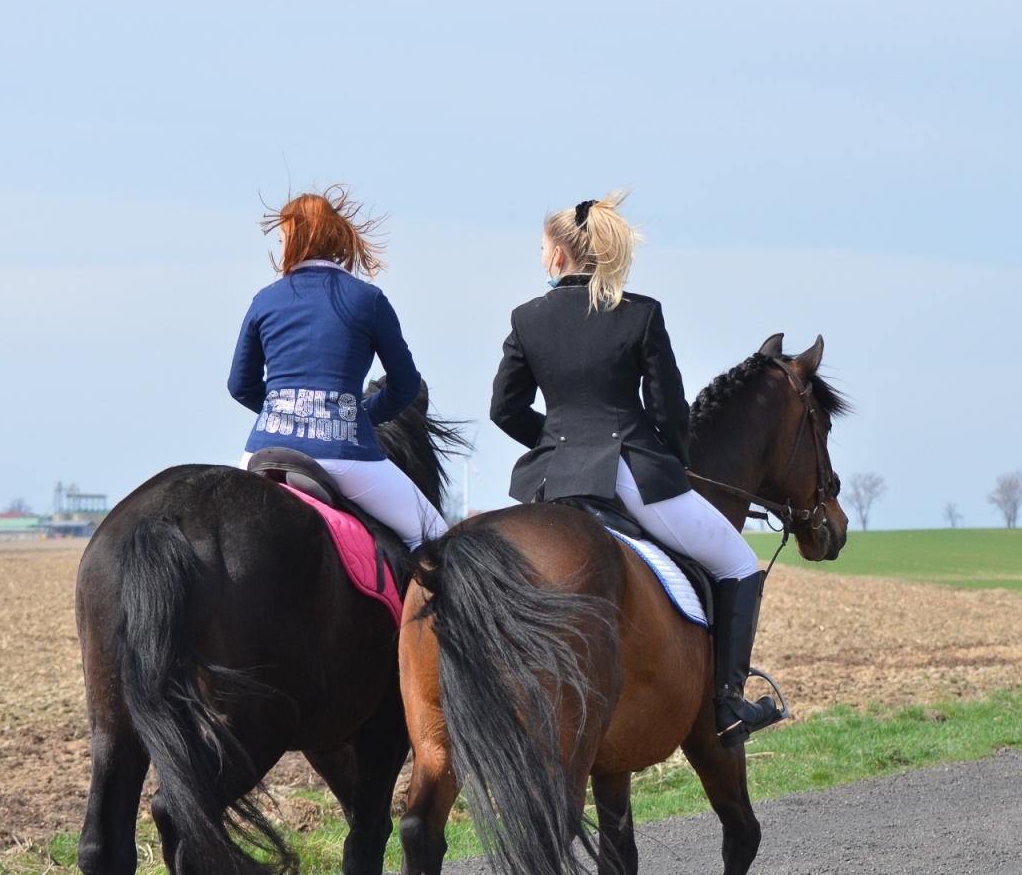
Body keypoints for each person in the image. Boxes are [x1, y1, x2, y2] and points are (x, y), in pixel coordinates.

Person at [488, 191, 784, 746]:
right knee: (740, 564)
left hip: (553, 478)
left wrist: (555, 445)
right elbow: (669, 410)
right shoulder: (642, 313)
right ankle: (727, 705)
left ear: (557, 257)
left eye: (541, 251)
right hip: (629, 470)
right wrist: (670, 464)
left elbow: (503, 408)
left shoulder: (527, 318)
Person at [228, 187, 447, 551]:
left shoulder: (264, 299)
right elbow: (406, 385)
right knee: (437, 540)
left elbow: (240, 385)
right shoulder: (369, 299)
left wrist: (282, 411)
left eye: (283, 237)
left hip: (262, 452)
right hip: (344, 457)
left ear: (296, 239)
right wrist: (362, 415)